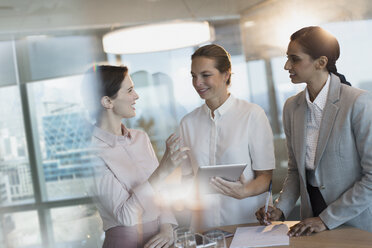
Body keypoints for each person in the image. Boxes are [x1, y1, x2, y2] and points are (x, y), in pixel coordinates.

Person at [255, 26, 372, 236]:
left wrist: (326, 219)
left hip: (355, 221)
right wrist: (280, 209)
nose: (286, 65)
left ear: (321, 62)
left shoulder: (358, 102)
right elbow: (295, 171)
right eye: (287, 58)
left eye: (294, 59)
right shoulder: (291, 107)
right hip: (309, 220)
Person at [84, 65, 189, 248]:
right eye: (130, 90)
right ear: (108, 102)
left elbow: (161, 191)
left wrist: (166, 228)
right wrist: (162, 171)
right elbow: (126, 216)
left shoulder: (141, 138)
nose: (137, 96)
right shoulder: (92, 154)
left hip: (161, 241)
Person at [179, 44, 275, 228]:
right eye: (193, 76)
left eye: (205, 75)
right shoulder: (187, 123)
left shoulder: (252, 115)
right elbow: (187, 178)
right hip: (204, 226)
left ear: (226, 74)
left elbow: (265, 177)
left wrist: (244, 191)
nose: (197, 83)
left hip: (246, 222)